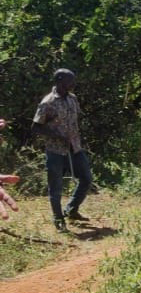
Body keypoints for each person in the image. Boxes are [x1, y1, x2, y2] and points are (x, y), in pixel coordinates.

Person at [32, 68, 93, 232]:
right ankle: (58, 220)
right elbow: (36, 127)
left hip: (75, 148)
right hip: (55, 151)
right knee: (56, 187)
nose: (73, 84)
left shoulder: (73, 99)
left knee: (86, 179)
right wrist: (57, 135)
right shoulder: (48, 102)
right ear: (59, 80)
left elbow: (74, 121)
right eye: (70, 80)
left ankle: (71, 210)